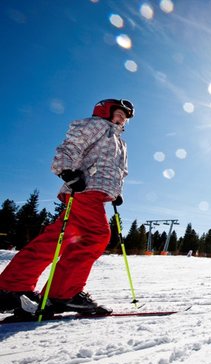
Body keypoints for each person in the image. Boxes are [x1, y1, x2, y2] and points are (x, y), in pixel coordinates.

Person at [0, 98, 135, 316]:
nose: (122, 119)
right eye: (119, 113)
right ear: (105, 111)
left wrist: (116, 194)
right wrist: (66, 171)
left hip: (95, 192)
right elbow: (72, 145)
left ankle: (12, 286)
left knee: (56, 239)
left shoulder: (120, 142)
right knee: (95, 235)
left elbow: (120, 171)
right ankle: (63, 294)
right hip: (84, 189)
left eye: (125, 117)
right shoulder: (97, 125)